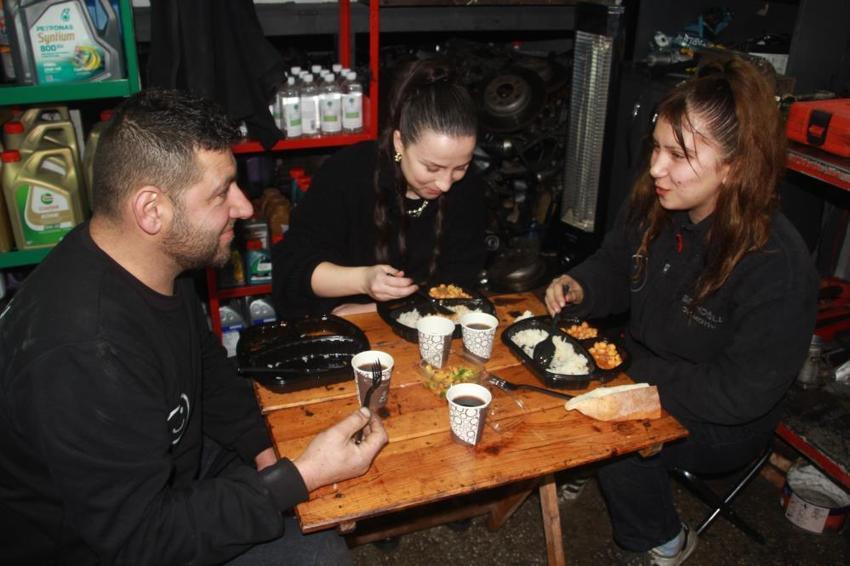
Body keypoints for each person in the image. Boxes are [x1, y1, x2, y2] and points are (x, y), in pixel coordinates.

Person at [0, 89, 387, 566]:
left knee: (324, 501)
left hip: (171, 462)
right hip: (105, 547)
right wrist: (298, 478)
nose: (245, 208)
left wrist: (267, 453)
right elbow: (140, 539)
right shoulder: (85, 352)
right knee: (319, 557)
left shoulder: (152, 264)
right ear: (151, 210)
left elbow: (205, 371)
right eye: (222, 192)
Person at [544, 56, 818, 565]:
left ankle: (663, 540)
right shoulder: (660, 201)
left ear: (734, 165)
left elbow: (741, 392)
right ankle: (588, 460)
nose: (655, 168)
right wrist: (580, 285)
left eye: (678, 154)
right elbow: (615, 264)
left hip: (722, 417)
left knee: (615, 433)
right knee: (547, 366)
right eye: (657, 148)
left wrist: (632, 380)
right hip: (642, 366)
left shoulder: (776, 264)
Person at [272, 58, 487, 318]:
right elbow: (291, 270)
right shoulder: (347, 173)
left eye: (460, 167)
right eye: (432, 168)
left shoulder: (467, 187)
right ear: (400, 142)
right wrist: (362, 280)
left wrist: (387, 311)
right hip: (347, 324)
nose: (445, 183)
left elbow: (461, 281)